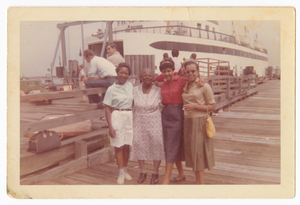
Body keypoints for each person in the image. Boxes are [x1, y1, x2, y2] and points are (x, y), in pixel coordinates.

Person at [182, 60, 216, 184]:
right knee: (193, 152)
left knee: (198, 153)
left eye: (193, 71)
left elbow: (212, 106)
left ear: (198, 72)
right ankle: (197, 182)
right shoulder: (185, 85)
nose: (190, 74)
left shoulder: (204, 86)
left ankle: (200, 184)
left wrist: (194, 106)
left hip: (199, 122)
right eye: (188, 71)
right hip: (188, 122)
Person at [130, 68, 164, 185]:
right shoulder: (134, 90)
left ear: (153, 76)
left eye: (150, 75)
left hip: (154, 119)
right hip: (139, 119)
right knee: (139, 143)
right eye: (144, 75)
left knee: (157, 143)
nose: (147, 77)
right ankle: (143, 171)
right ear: (141, 76)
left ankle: (155, 172)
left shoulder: (158, 90)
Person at [103, 63, 133, 185]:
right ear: (117, 73)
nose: (123, 75)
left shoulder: (130, 86)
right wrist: (110, 126)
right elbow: (107, 109)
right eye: (121, 72)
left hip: (129, 116)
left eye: (126, 73)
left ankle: (125, 170)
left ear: (128, 75)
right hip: (117, 117)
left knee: (126, 145)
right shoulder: (111, 89)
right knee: (118, 146)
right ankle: (120, 173)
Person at [158, 58, 187, 184]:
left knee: (171, 145)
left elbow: (194, 79)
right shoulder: (162, 85)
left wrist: (201, 80)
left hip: (177, 115)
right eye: (164, 71)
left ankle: (166, 178)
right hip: (165, 115)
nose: (167, 74)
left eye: (169, 71)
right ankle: (180, 173)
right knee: (171, 145)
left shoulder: (181, 80)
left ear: (173, 70)